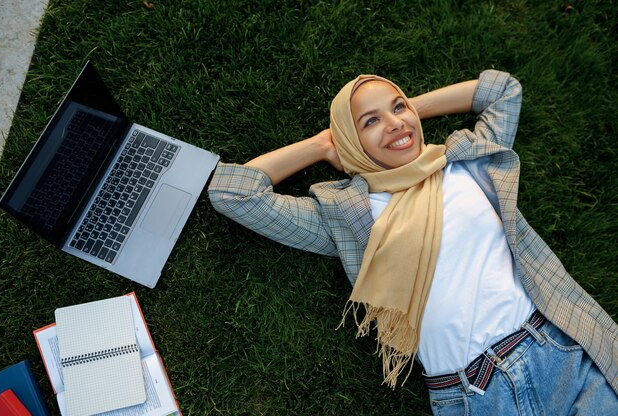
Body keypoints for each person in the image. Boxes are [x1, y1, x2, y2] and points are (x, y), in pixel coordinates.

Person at [208, 69, 618, 414]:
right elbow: (233, 194)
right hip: (475, 397)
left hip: (557, 353)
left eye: (397, 107)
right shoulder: (348, 214)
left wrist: (410, 110)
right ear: (351, 141)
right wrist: (322, 144)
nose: (394, 123)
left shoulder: (466, 160)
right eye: (369, 122)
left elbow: (503, 91)